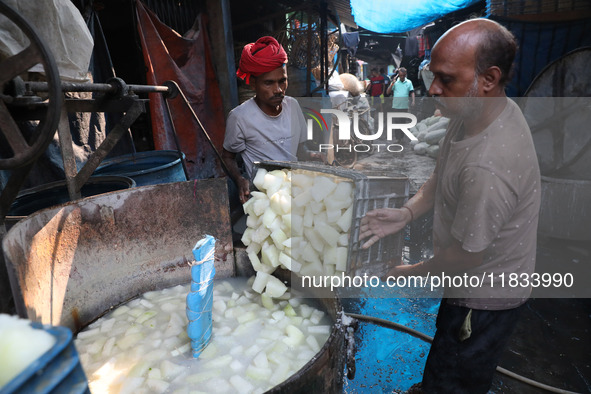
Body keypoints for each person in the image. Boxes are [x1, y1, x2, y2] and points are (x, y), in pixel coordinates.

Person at [360, 18, 541, 393]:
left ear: (488, 79)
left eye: (447, 79)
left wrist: (413, 271)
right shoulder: (472, 113)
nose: (435, 90)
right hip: (467, 279)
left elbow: (468, 255)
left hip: (486, 296)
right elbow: (440, 178)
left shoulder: (489, 165)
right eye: (432, 77)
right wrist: (407, 213)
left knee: (459, 368)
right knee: (447, 352)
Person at [223, 36, 322, 205]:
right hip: (264, 197)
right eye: (268, 83)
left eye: (282, 81)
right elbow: (227, 157)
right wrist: (240, 180)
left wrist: (312, 155)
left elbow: (300, 149)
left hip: (296, 190)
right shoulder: (239, 117)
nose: (278, 90)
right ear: (253, 83)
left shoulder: (293, 106)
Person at [386, 67, 415, 142]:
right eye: (401, 75)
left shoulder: (409, 82)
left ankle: (401, 137)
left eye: (403, 75)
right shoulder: (395, 82)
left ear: (405, 75)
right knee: (397, 122)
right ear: (398, 75)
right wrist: (392, 83)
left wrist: (413, 101)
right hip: (396, 106)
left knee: (403, 121)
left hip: (404, 106)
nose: (402, 77)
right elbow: (388, 92)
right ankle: (398, 138)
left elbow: (412, 92)